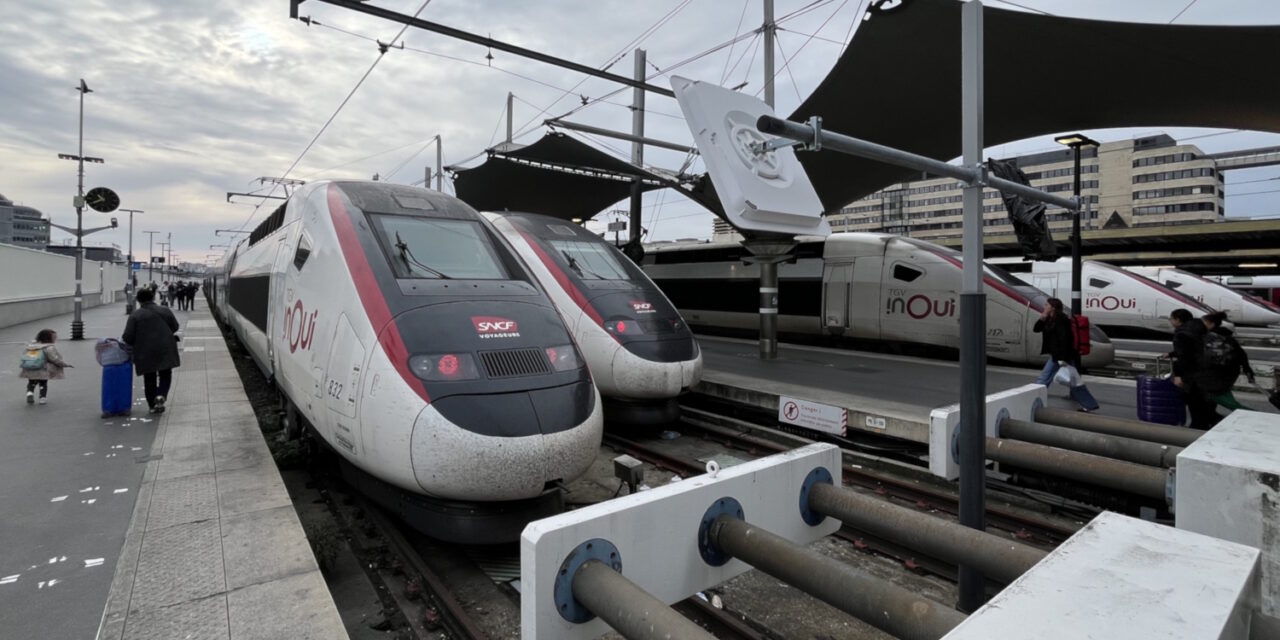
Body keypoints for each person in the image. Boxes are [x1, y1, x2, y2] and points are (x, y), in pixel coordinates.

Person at [1033, 298, 1101, 412]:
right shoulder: (1049, 319)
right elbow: (1036, 329)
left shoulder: (1062, 320)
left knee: (1044, 379)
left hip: (1062, 356)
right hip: (1058, 355)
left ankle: (1032, 399)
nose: (1045, 306)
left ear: (1053, 307)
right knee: (1074, 382)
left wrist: (1062, 359)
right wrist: (1042, 318)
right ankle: (1090, 404)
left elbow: (1065, 339)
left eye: (1047, 305)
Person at [123, 286, 181, 414]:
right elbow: (175, 327)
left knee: (149, 378)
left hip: (145, 351)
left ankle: (152, 406)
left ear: (138, 301)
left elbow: (127, 337)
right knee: (165, 374)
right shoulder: (165, 310)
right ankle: (161, 395)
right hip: (166, 348)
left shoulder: (135, 315)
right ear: (153, 297)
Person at [1169, 308, 1219, 430]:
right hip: (1209, 372)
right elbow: (1194, 349)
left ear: (1178, 319)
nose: (1170, 321)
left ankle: (1199, 429)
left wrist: (1178, 375)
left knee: (1194, 403)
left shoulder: (1181, 334)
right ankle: (1209, 423)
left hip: (1193, 375)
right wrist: (1172, 353)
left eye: (1171, 318)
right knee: (1205, 404)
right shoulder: (1199, 328)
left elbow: (1184, 357)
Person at [1200, 311, 1254, 412]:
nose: (1200, 325)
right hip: (1230, 372)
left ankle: (1251, 414)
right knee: (1216, 397)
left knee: (1215, 396)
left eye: (1203, 323)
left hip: (1215, 373)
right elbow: (1241, 353)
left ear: (1211, 323)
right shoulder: (1227, 336)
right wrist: (1247, 369)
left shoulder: (1209, 337)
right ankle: (1210, 418)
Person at [19, 329, 71, 405]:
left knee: (31, 382)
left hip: (30, 368)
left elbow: (25, 355)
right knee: (43, 383)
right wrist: (64, 364)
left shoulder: (31, 346)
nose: (56, 338)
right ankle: (42, 398)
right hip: (43, 369)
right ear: (48, 338)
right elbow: (54, 359)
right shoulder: (49, 347)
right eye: (54, 337)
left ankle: (30, 393)